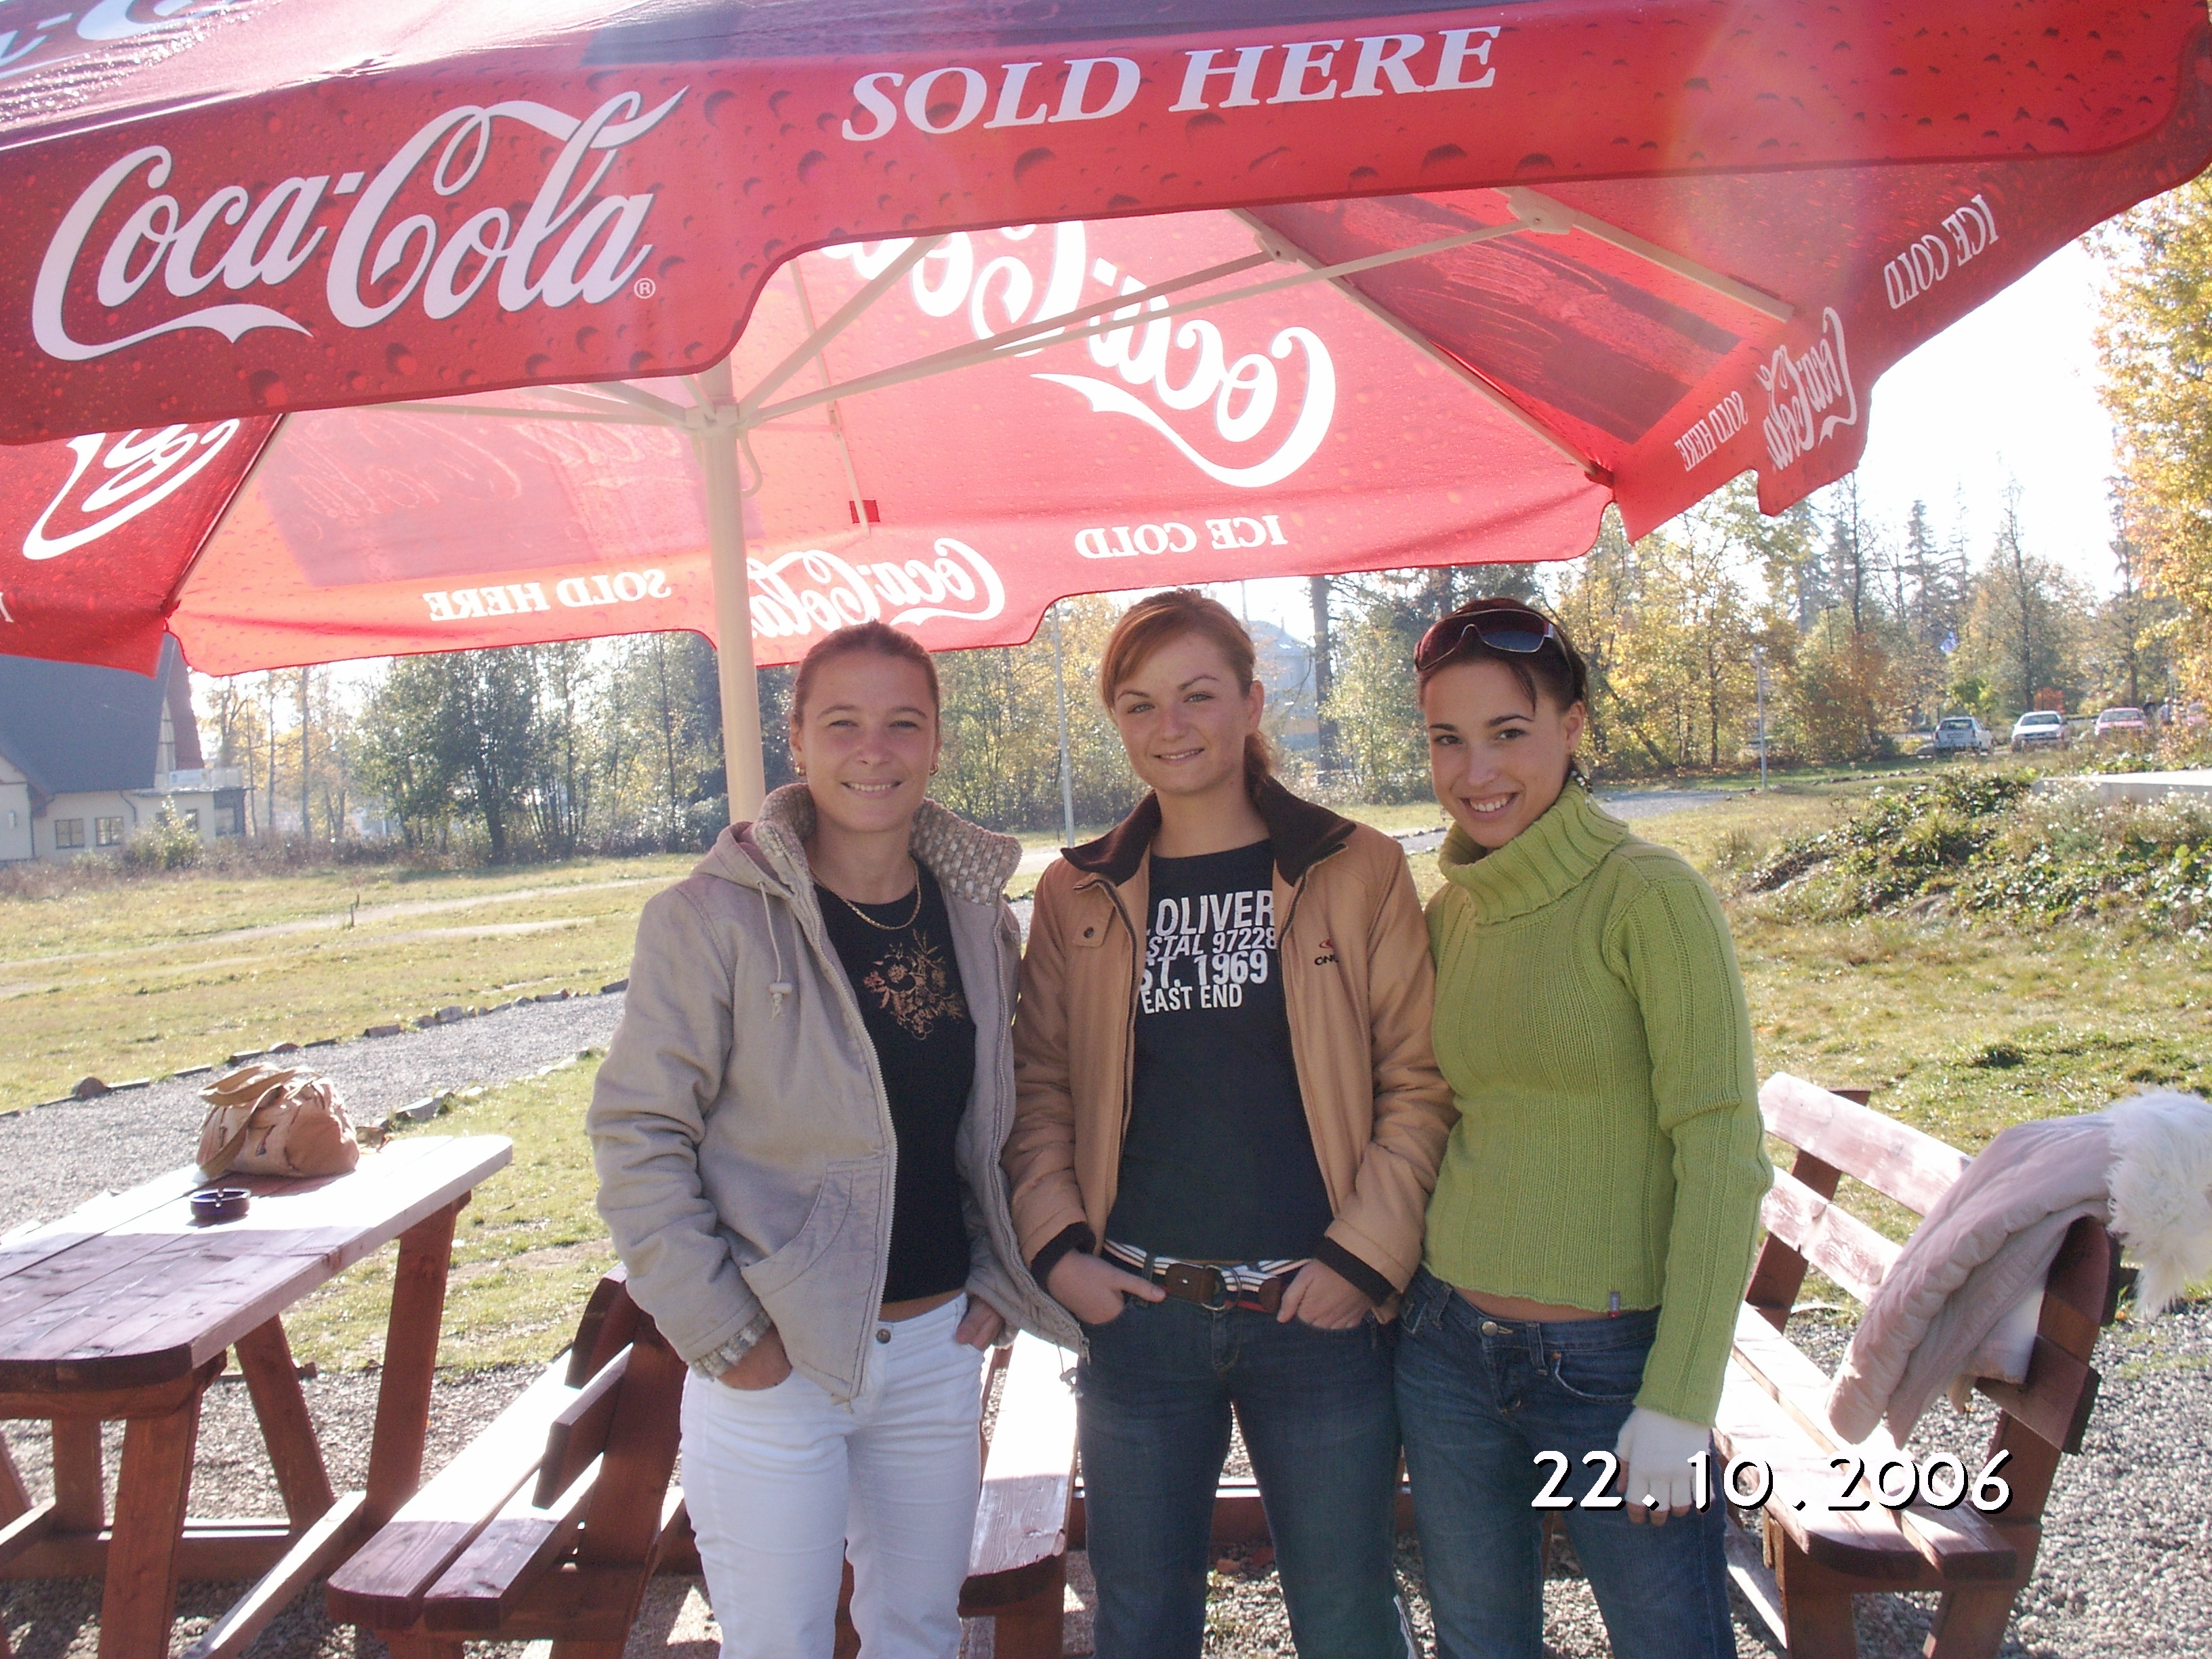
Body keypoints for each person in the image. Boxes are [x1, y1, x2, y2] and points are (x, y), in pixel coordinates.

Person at [588, 621, 1060, 1659]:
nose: (874, 751)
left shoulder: (976, 918)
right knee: (780, 1646)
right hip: (777, 1359)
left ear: (937, 743)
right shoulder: (709, 920)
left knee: (919, 1635)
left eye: (904, 724)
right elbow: (637, 1138)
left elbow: (999, 1119)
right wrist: (726, 1336)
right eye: (843, 723)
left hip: (935, 1349)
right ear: (796, 740)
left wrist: (998, 1272)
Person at [1005, 588, 1454, 1659]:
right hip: (1139, 1318)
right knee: (1141, 1621)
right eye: (1140, 703)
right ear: (1118, 722)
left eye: (1198, 695)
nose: (1171, 725)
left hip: (1318, 1315)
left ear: (1252, 704)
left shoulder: (1355, 867)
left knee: (1346, 1617)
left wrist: (1361, 1259)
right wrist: (1061, 1253)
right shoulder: (1077, 891)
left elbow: (1419, 1083)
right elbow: (1040, 1089)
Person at [1393, 598, 1772, 1659]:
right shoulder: (1451, 911)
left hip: (1611, 1368)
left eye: (1508, 733)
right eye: (1448, 739)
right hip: (1446, 1349)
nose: (1476, 772)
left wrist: (1681, 1401)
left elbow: (1724, 1155)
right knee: (1479, 1642)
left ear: (1573, 727)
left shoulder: (1650, 897)